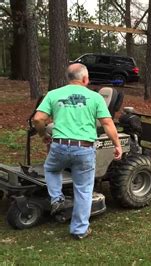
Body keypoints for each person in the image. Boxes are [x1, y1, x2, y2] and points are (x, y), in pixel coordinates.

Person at [33, 63, 122, 240]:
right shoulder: (94, 97)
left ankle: (57, 199)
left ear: (68, 78)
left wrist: (43, 134)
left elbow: (38, 119)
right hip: (84, 149)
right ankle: (79, 230)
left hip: (59, 146)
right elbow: (107, 123)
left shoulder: (53, 94)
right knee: (83, 189)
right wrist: (117, 144)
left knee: (51, 169)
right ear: (85, 79)